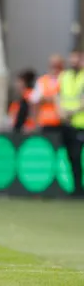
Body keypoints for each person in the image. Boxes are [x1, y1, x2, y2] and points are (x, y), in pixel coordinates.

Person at [58, 50, 84, 197]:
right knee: (72, 157)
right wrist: (61, 112)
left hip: (81, 123)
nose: (73, 61)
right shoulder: (65, 76)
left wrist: (70, 112)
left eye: (77, 59)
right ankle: (76, 189)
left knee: (79, 156)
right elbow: (58, 95)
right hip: (68, 125)